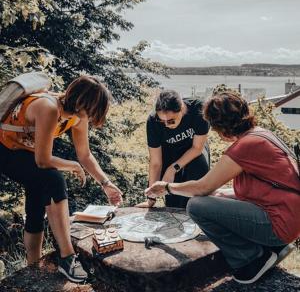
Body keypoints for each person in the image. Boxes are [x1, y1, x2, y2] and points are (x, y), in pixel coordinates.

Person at [146, 91, 300, 284]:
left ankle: (250, 259)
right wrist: (221, 195)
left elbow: (202, 188)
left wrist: (167, 187)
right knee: (217, 195)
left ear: (222, 127)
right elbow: (264, 187)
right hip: (288, 216)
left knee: (196, 206)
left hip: (279, 223)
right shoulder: (261, 134)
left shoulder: (245, 146)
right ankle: (274, 248)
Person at [0, 75, 123, 283]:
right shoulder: (48, 108)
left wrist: (106, 183)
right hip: (5, 150)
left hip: (25, 150)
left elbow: (84, 154)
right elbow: (42, 160)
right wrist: (71, 165)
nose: (91, 119)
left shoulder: (77, 116)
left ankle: (34, 266)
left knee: (37, 198)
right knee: (54, 180)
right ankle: (67, 257)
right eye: (92, 113)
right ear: (83, 103)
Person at [137, 90, 210, 209]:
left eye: (171, 121)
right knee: (173, 202)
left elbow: (197, 148)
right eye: (162, 121)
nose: (166, 125)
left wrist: (172, 169)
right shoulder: (152, 121)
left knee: (195, 197)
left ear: (181, 108)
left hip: (194, 152)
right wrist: (151, 198)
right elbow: (155, 162)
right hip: (169, 153)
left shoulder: (198, 109)